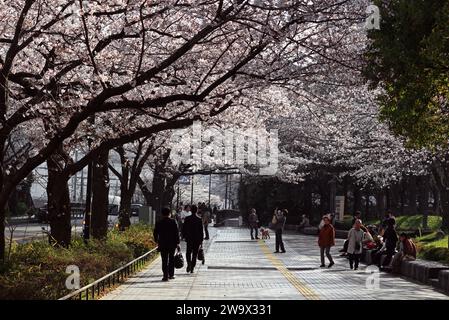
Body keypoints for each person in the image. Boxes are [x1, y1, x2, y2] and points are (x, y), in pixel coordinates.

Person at [153, 207, 180, 281]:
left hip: (162, 243)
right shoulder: (173, 221)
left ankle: (165, 276)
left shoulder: (159, 222)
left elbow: (155, 233)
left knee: (164, 260)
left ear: (162, 214)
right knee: (171, 259)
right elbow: (176, 233)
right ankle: (171, 275)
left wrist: (156, 241)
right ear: (169, 213)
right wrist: (178, 243)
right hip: (172, 244)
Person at [182, 205, 204, 273]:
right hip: (197, 239)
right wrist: (201, 240)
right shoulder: (199, 219)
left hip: (189, 238)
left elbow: (184, 228)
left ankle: (189, 263)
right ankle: (192, 267)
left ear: (191, 210)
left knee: (188, 252)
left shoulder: (187, 218)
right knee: (195, 253)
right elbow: (201, 231)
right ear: (197, 210)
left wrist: (184, 236)